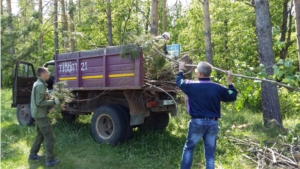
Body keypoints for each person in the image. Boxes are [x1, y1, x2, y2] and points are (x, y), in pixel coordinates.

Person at [176, 62, 238, 169]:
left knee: (189, 148)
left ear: (199, 74)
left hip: (197, 122)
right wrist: (229, 81)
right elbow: (232, 95)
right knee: (210, 155)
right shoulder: (218, 88)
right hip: (213, 123)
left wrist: (181, 69)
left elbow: (179, 81)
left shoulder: (191, 85)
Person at [28, 67, 60, 167]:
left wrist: (51, 96)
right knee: (49, 136)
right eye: (47, 72)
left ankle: (33, 154)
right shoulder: (40, 85)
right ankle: (50, 160)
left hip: (37, 114)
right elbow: (39, 102)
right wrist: (54, 102)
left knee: (40, 135)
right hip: (40, 115)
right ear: (42, 74)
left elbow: (42, 97)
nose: (48, 74)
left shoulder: (38, 83)